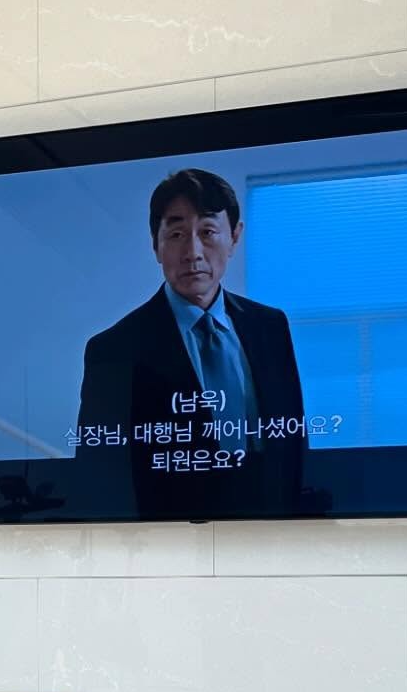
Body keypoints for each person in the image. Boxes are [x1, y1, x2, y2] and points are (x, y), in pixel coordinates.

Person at [75, 168, 305, 516]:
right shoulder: (114, 348)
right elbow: (100, 472)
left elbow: (293, 440)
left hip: (272, 526)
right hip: (166, 535)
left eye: (208, 232)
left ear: (235, 237)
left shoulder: (270, 327)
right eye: (177, 234)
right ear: (156, 245)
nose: (193, 252)